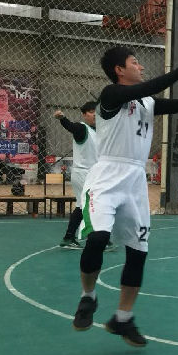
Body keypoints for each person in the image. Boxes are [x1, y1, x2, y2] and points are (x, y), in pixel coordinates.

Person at [71, 44, 178, 347]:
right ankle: (88, 296)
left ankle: (123, 318)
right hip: (107, 177)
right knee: (97, 238)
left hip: (135, 180)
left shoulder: (148, 102)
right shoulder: (110, 95)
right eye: (134, 62)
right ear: (119, 70)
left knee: (138, 252)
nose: (140, 66)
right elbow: (151, 86)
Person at [54, 101, 111, 250]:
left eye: (96, 112)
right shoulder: (82, 128)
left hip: (92, 175)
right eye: (91, 112)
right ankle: (98, 239)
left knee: (82, 206)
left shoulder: (98, 132)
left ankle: (69, 237)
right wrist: (63, 119)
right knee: (94, 205)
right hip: (83, 174)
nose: (95, 115)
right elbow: (71, 127)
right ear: (84, 115)